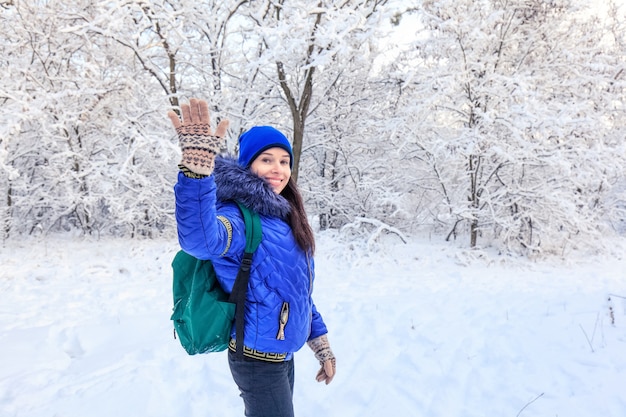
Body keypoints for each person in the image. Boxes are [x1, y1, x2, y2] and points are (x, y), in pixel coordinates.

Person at [168, 98, 336, 417]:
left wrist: (321, 344)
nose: (278, 169)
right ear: (248, 166)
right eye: (267, 160)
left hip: (283, 356)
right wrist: (196, 174)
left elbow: (298, 292)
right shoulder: (240, 219)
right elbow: (201, 240)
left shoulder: (288, 220)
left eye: (285, 161)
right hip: (256, 360)